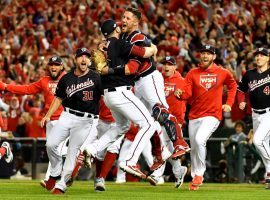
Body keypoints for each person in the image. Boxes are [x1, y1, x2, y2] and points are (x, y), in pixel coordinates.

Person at [84, 19, 157, 183]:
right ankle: (131, 161)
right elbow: (144, 53)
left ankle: (93, 148)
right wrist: (153, 47)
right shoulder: (119, 43)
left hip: (108, 96)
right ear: (115, 29)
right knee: (149, 124)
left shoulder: (103, 47)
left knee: (122, 126)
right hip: (120, 92)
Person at [120, 7, 190, 165]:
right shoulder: (123, 35)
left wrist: (151, 49)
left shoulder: (138, 36)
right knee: (145, 122)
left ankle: (180, 143)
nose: (124, 20)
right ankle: (161, 153)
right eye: (123, 17)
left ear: (136, 22)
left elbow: (147, 47)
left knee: (160, 111)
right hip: (136, 83)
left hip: (148, 78)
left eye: (128, 18)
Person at [0, 56, 71, 188]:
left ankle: (49, 179)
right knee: (52, 149)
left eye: (56, 64)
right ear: (48, 67)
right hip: (50, 120)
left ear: (62, 67)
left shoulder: (69, 79)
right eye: (51, 65)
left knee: (57, 148)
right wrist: (6, 87)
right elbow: (26, 89)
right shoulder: (44, 81)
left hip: (65, 119)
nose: (53, 67)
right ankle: (74, 157)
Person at [40, 47, 102, 194]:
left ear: (89, 60)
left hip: (85, 120)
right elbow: (59, 98)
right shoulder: (66, 78)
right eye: (81, 56)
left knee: (72, 154)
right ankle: (55, 172)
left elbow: (104, 97)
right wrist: (48, 115)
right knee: (51, 144)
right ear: (75, 60)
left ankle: (61, 185)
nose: (84, 59)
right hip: (67, 116)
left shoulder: (96, 77)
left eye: (87, 56)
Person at [176, 44, 237, 190]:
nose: (205, 56)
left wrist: (229, 103)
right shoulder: (192, 73)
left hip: (213, 115)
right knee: (195, 147)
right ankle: (195, 179)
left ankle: (199, 174)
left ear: (214, 57)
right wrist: (180, 95)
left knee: (199, 140)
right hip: (194, 116)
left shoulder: (223, 72)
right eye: (203, 53)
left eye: (208, 53)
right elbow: (187, 93)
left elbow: (233, 86)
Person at [237, 47, 270, 189]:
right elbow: (240, 90)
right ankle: (269, 173)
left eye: (262, 55)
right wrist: (241, 101)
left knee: (257, 141)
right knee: (264, 144)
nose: (259, 57)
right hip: (256, 114)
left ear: (268, 58)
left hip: (269, 112)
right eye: (257, 55)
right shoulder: (248, 75)